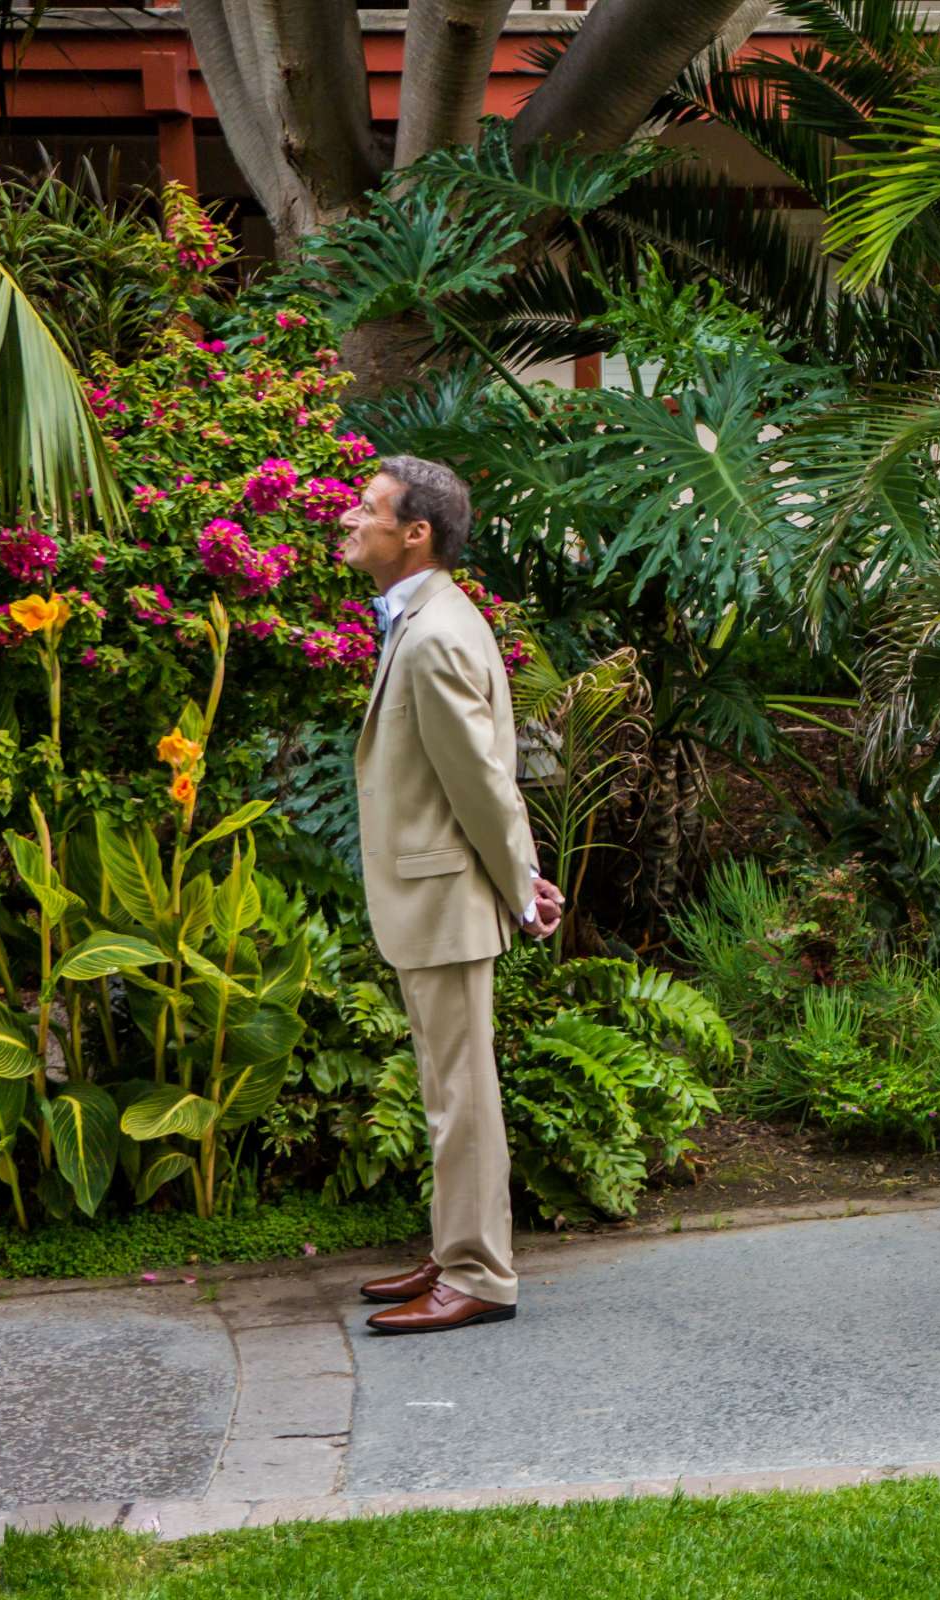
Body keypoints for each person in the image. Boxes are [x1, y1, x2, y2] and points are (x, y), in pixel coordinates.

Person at [337, 457, 564, 1336]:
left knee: (461, 1095)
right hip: (440, 896)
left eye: (369, 508)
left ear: (416, 532)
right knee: (448, 1090)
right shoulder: (423, 617)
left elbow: (480, 782)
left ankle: (479, 1273)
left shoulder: (432, 635)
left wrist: (521, 890)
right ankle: (455, 1246)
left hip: (446, 901)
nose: (351, 519)